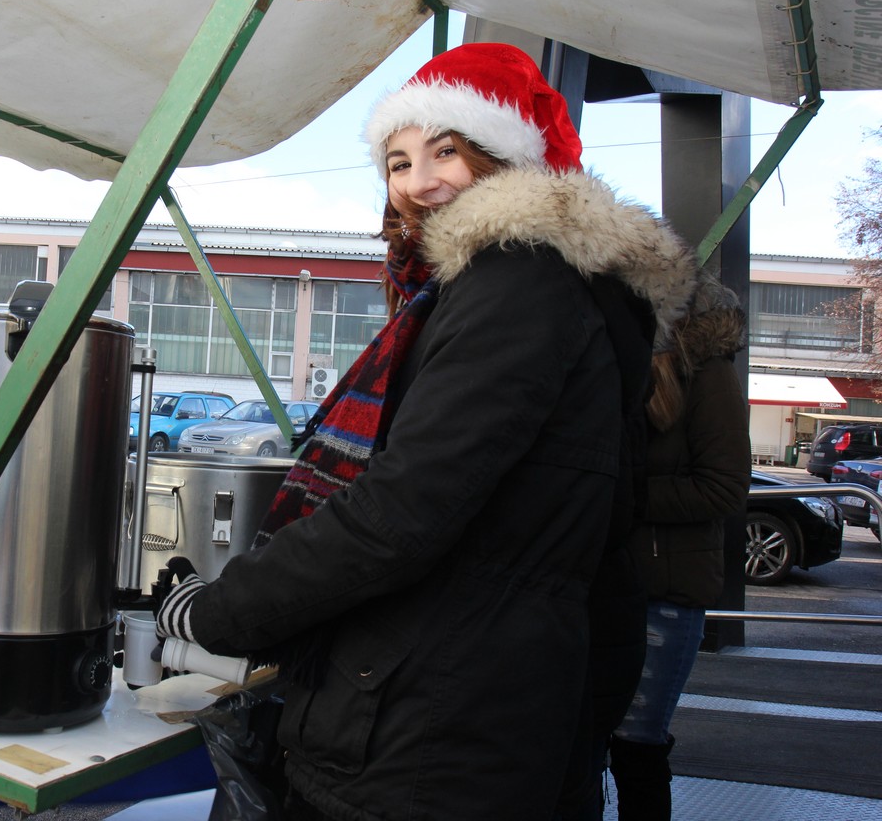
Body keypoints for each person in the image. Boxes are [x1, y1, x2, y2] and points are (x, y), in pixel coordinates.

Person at [155, 43, 698, 820]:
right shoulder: (533, 287)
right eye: (398, 161)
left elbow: (401, 511)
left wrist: (219, 611)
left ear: (506, 157)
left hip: (433, 726)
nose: (418, 182)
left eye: (446, 151)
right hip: (492, 710)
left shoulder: (517, 282)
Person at [609, 276, 750, 820]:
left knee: (637, 746)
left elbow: (725, 486)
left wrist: (620, 491)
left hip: (664, 593)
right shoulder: (612, 364)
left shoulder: (704, 371)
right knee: (584, 743)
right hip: (601, 582)